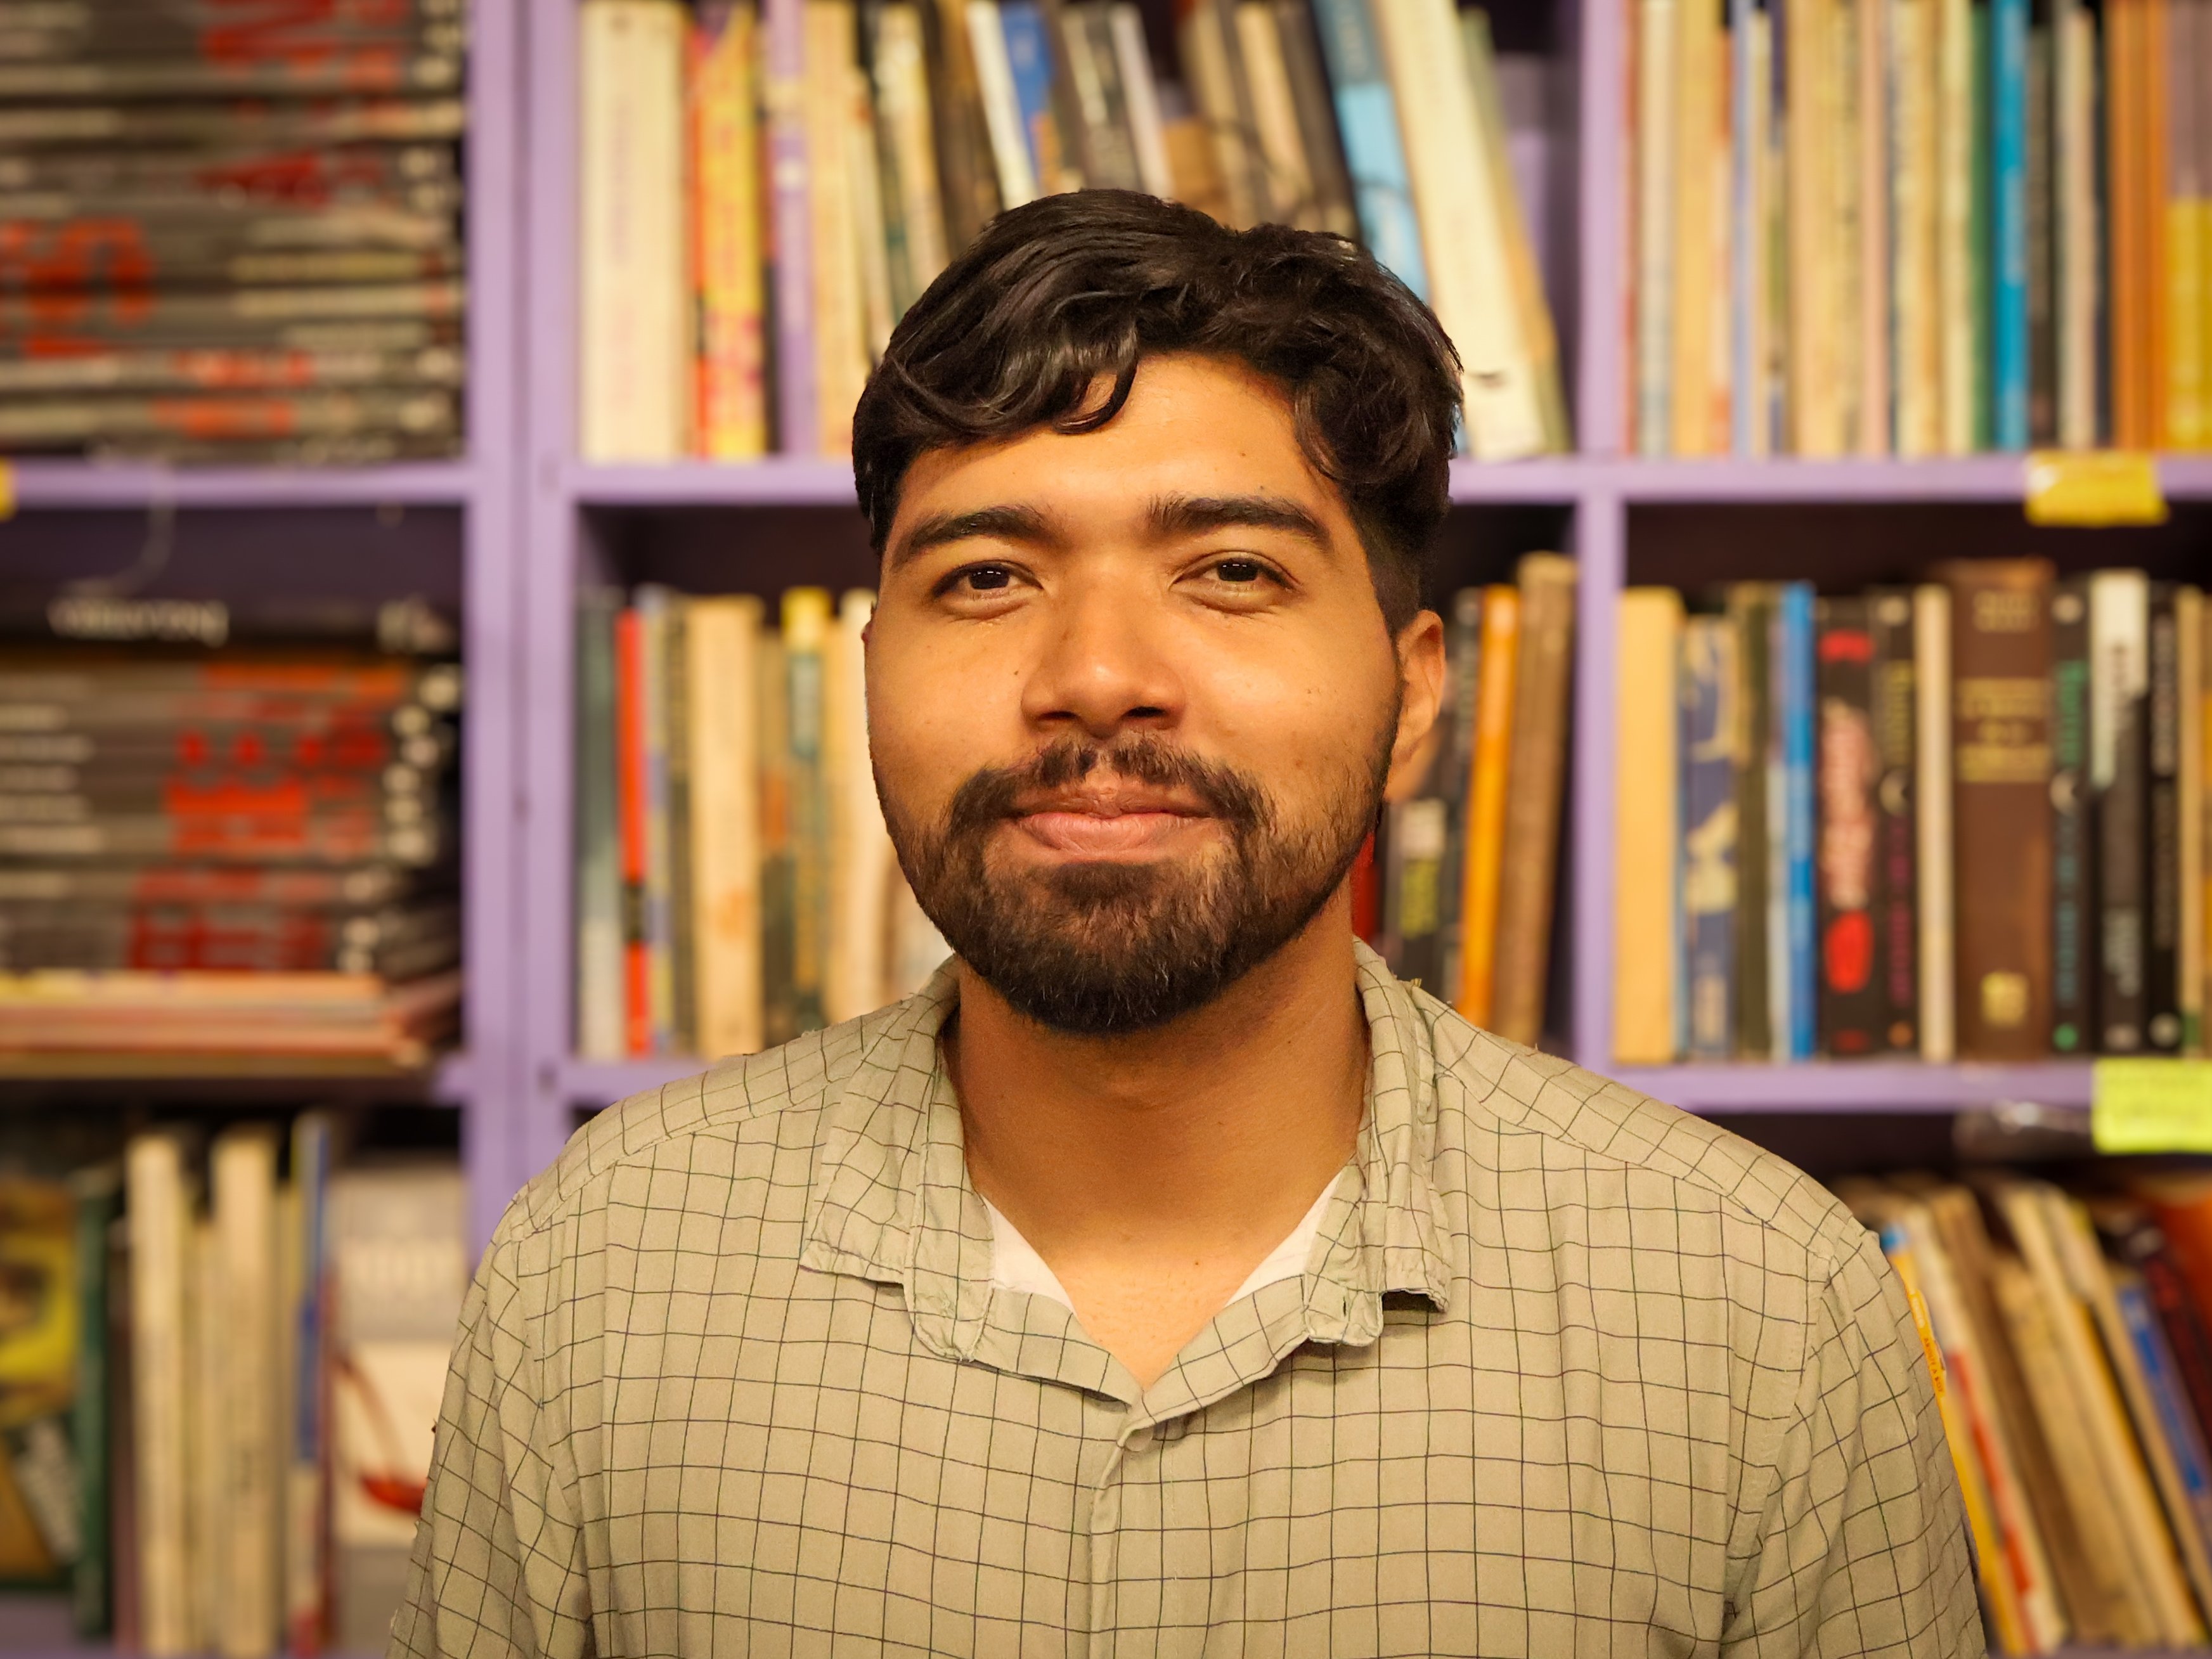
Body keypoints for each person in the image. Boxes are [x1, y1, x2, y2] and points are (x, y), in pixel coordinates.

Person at [392, 191, 1980, 1657]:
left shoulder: (1761, 1313)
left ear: (1413, 694)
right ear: (868, 677)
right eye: (987, 577)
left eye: (1226, 570)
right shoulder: (600, 1268)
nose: (1096, 676)